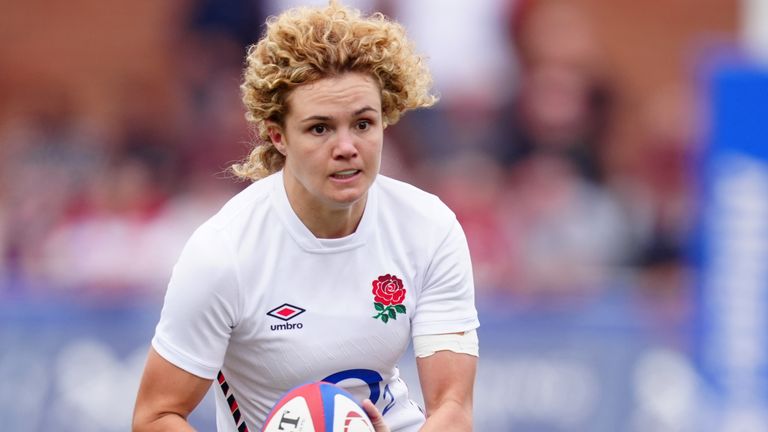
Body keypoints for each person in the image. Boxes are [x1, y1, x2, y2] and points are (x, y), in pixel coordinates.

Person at [132, 2, 480, 431]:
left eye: (364, 124)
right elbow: (156, 415)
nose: (346, 146)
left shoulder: (429, 227)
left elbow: (453, 407)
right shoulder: (223, 253)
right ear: (278, 136)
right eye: (320, 128)